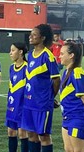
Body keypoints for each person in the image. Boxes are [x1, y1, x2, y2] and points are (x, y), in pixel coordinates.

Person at [21, 24, 60, 152]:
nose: (30, 37)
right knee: (31, 134)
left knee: (44, 136)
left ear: (42, 38)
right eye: (30, 34)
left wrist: (50, 98)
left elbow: (56, 79)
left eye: (34, 34)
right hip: (29, 102)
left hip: (42, 103)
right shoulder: (31, 54)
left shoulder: (47, 56)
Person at [59, 41, 84, 152]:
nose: (59, 56)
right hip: (68, 117)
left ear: (71, 55)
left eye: (62, 53)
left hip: (79, 118)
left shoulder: (77, 73)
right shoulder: (67, 72)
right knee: (68, 149)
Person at [6, 42, 29, 152]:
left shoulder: (27, 68)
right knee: (10, 131)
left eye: (13, 50)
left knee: (22, 133)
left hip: (22, 106)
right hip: (12, 104)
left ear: (21, 52)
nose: (10, 53)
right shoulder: (11, 68)